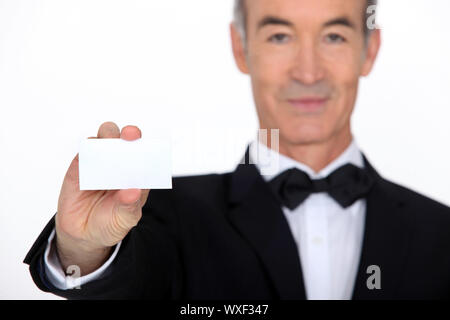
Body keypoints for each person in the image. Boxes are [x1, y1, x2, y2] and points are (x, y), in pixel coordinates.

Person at [24, 0, 450, 300]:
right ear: (240, 47)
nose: (307, 71)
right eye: (280, 35)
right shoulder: (163, 215)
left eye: (334, 36)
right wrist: (83, 250)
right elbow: (129, 280)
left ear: (369, 50)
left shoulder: (441, 232)